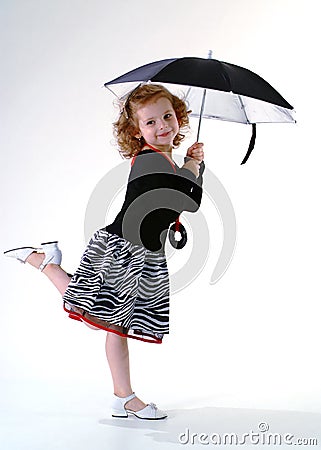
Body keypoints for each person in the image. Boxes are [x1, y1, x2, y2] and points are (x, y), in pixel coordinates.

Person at [4, 83, 205, 420]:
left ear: (178, 117)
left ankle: (47, 264)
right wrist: (193, 168)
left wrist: (191, 166)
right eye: (150, 122)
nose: (162, 126)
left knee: (108, 325)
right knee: (106, 324)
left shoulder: (167, 161)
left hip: (146, 254)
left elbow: (185, 201)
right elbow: (187, 200)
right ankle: (45, 264)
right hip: (125, 249)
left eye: (167, 116)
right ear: (137, 131)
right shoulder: (147, 161)